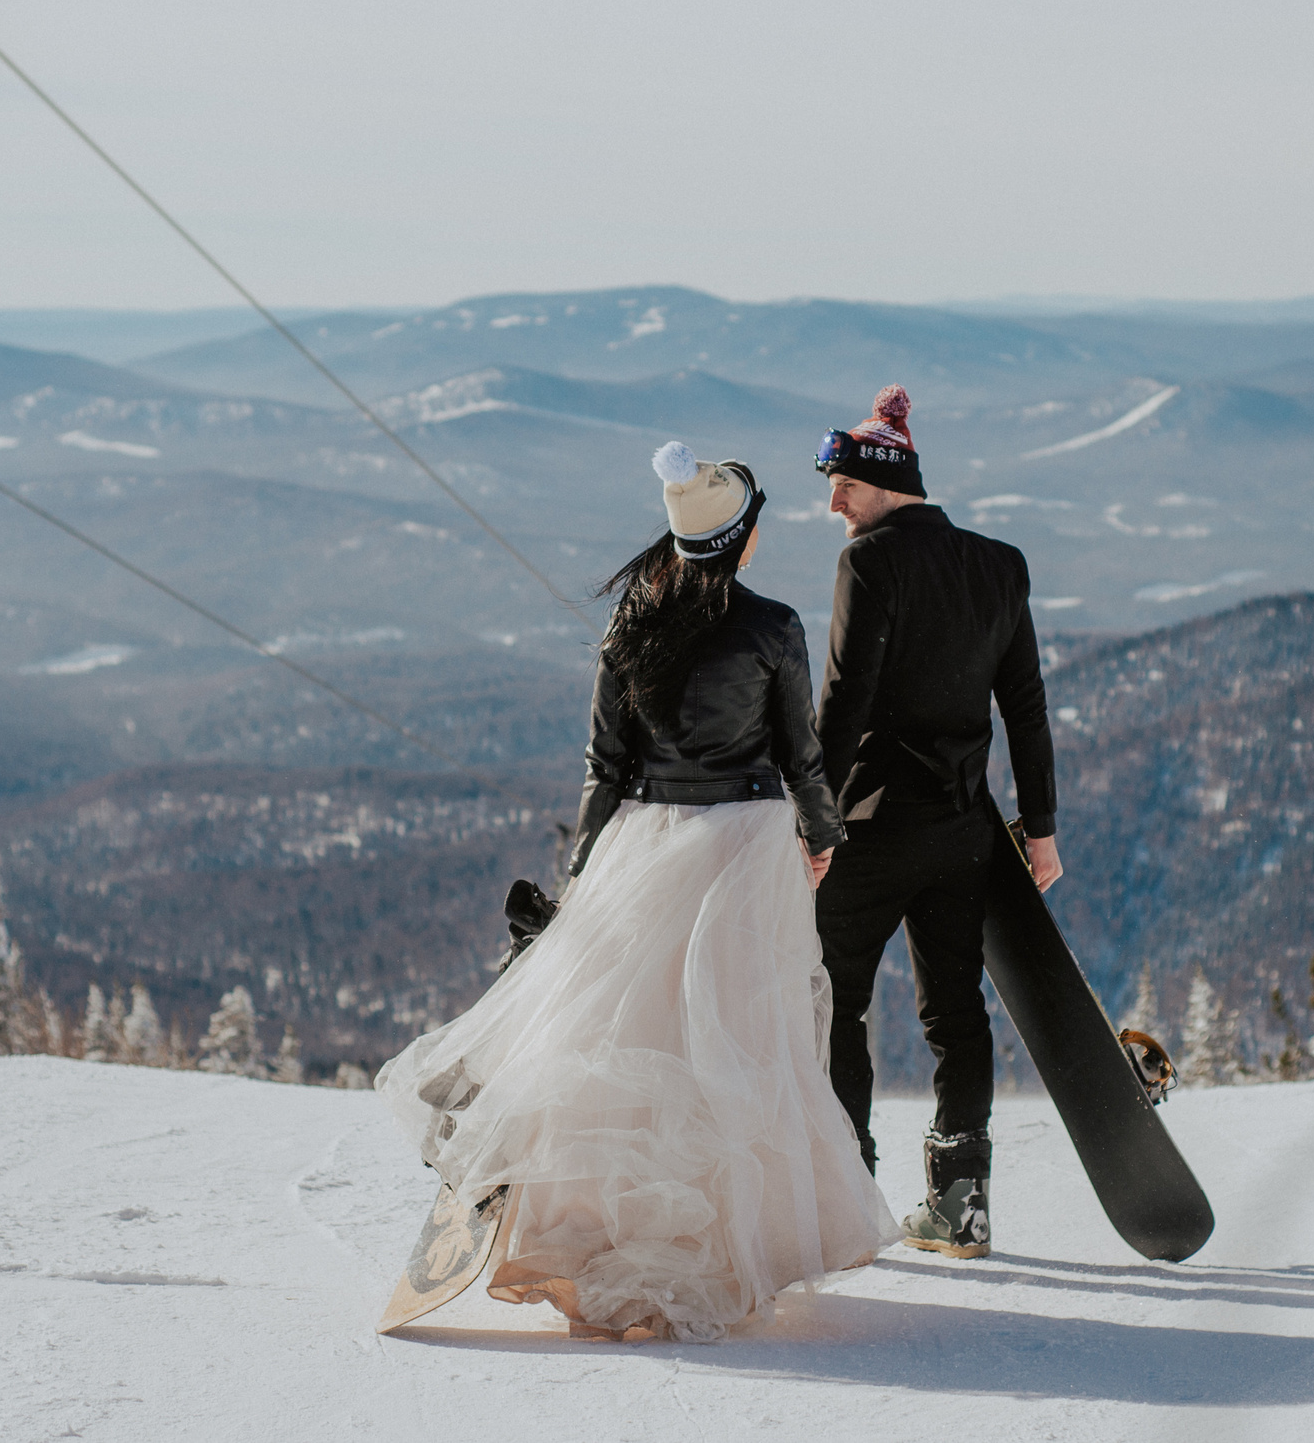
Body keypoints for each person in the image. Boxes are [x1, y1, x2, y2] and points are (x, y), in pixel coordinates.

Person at [375, 442, 896, 1342]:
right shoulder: (774, 628)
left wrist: (586, 874)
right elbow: (801, 757)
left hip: (642, 847)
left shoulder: (630, 625)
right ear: (744, 539)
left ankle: (592, 1240)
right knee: (734, 1054)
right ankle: (721, 1257)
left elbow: (604, 768)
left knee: (619, 1047)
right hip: (741, 851)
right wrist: (822, 838)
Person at [811, 383, 1060, 1261]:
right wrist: (1040, 828)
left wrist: (809, 819)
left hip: (871, 829)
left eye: (842, 481)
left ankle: (844, 1194)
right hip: (963, 830)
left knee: (833, 998)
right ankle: (963, 1204)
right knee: (956, 1012)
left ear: (884, 480)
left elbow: (844, 705)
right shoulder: (1000, 564)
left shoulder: (868, 563)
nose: (830, 500)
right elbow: (1025, 709)